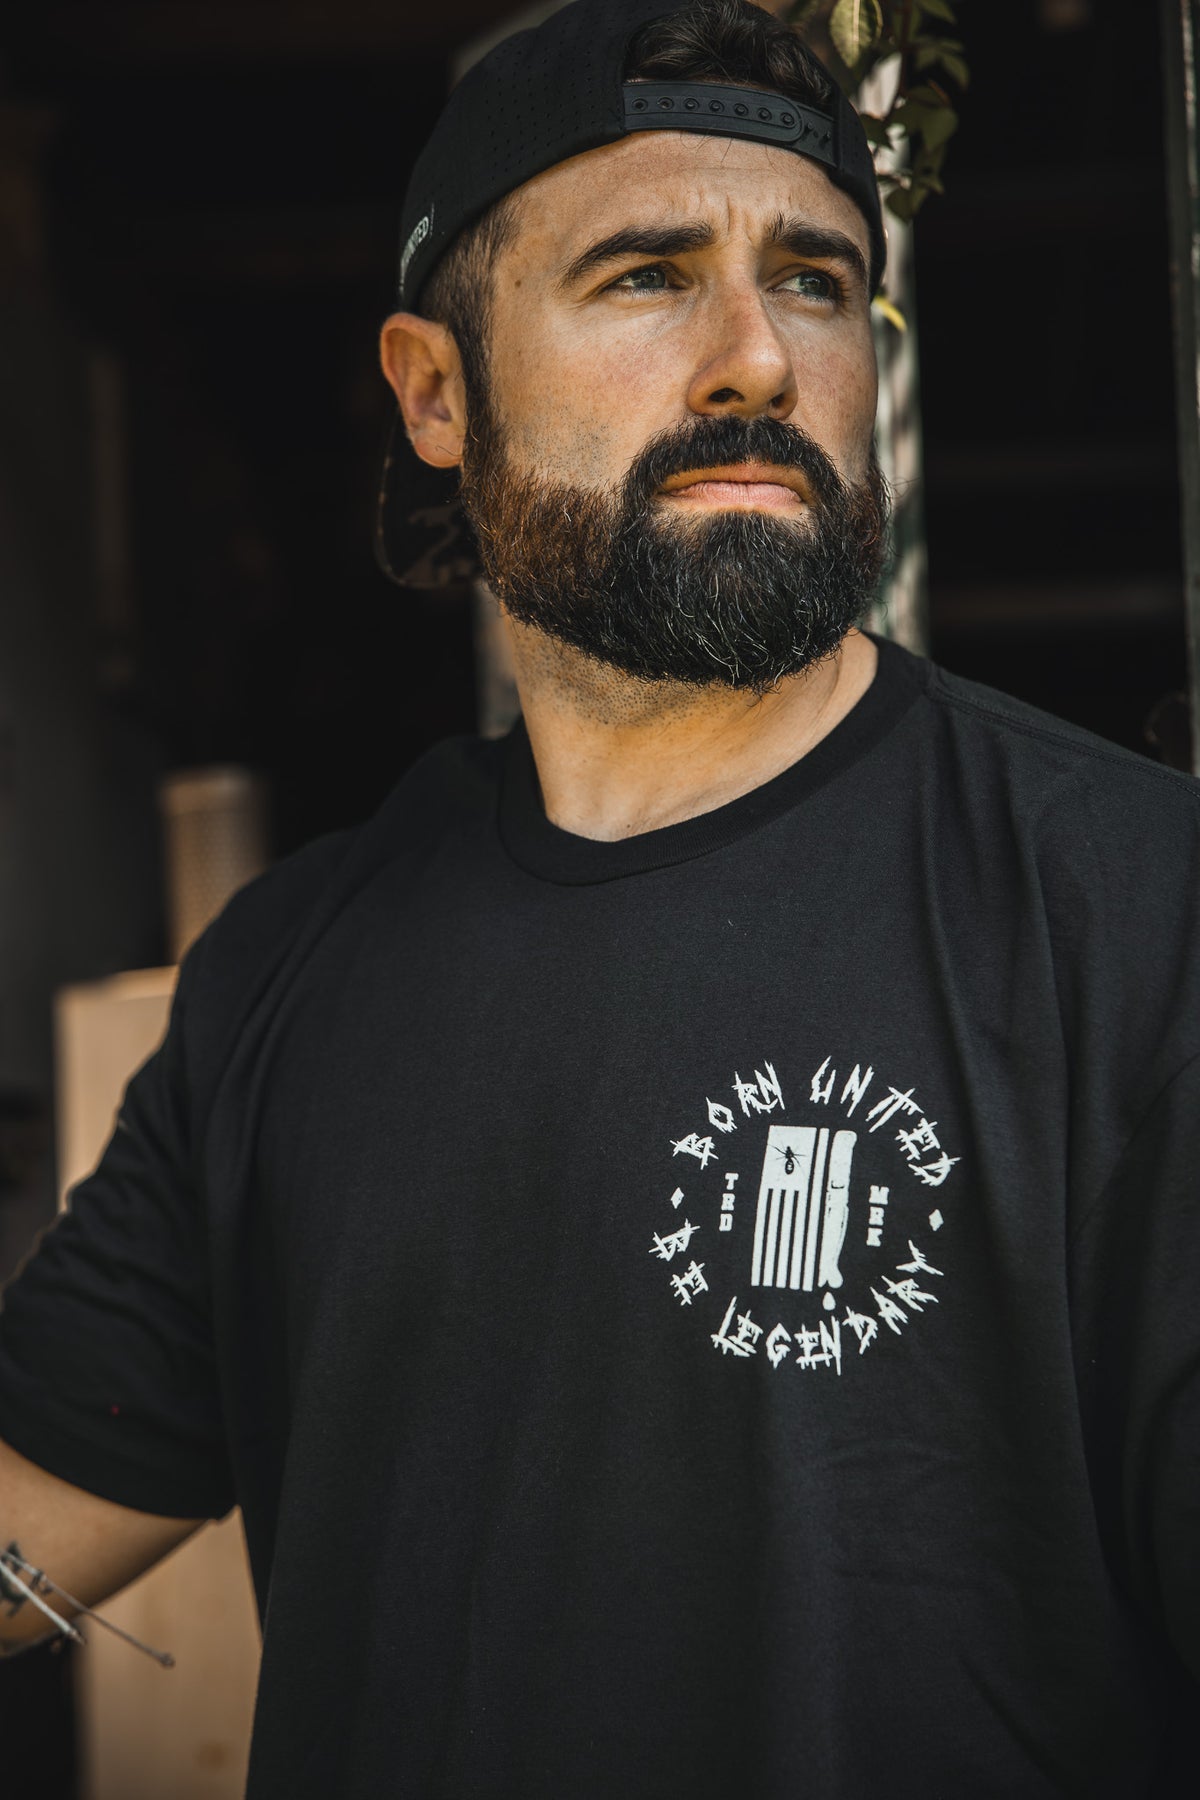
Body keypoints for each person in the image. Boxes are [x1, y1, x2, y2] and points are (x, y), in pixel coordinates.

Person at [1, 0, 1198, 1792]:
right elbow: (40, 1508)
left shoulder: (1137, 911)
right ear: (432, 390)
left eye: (813, 280)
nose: (754, 361)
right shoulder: (292, 969)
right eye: (646, 275)